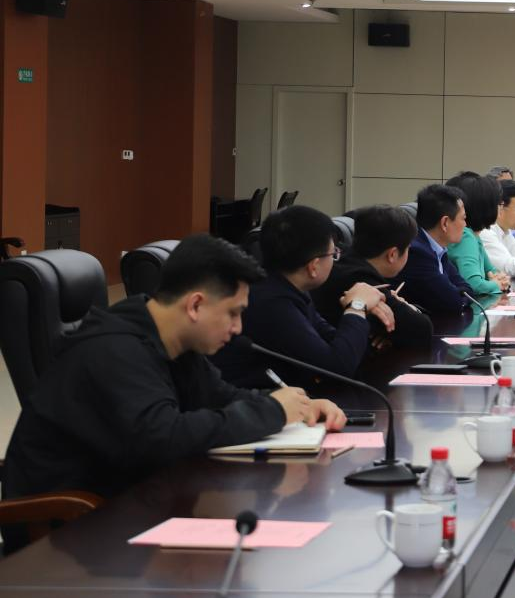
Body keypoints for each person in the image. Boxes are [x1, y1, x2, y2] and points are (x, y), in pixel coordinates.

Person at [1, 235, 344, 548]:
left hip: (130, 505)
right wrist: (273, 411)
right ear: (195, 305)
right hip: (66, 533)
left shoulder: (173, 342)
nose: (238, 328)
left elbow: (221, 396)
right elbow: (162, 437)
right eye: (233, 313)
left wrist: (294, 405)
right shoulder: (114, 350)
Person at [215, 205, 389, 389]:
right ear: (313, 266)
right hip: (250, 401)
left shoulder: (289, 287)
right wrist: (357, 306)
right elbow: (337, 368)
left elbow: (333, 343)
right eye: (333, 254)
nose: (335, 259)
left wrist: (366, 323)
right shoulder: (271, 303)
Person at [313, 205, 434, 352]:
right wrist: (403, 309)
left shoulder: (347, 262)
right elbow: (423, 330)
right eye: (408, 248)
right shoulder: (361, 279)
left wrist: (387, 330)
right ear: (392, 254)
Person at [393, 183, 478, 315]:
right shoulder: (417, 253)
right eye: (463, 218)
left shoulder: (438, 249)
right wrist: (459, 297)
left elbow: (467, 289)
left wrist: (459, 296)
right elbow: (453, 302)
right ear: (445, 223)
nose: (465, 225)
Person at [445, 172, 510, 297]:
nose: (501, 207)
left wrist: (500, 279)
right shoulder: (465, 237)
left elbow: (492, 271)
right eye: (499, 203)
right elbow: (474, 285)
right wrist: (496, 284)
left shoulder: (475, 235)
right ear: (485, 207)